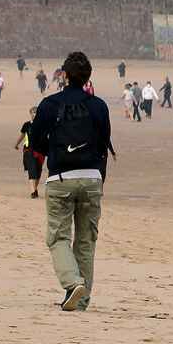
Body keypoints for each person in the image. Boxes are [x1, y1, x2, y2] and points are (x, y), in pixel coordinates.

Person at [28, 51, 113, 312]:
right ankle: (81, 299)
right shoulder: (98, 106)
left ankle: (72, 283)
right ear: (88, 77)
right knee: (86, 241)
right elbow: (103, 145)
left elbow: (37, 142)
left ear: (63, 75)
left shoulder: (49, 104)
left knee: (58, 237)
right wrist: (100, 180)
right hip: (91, 178)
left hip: (61, 178)